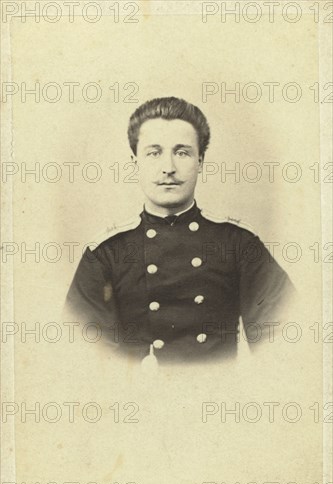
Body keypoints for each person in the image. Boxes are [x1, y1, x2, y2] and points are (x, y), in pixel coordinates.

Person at [65, 97, 294, 365]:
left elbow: (286, 344)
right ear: (134, 162)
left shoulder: (238, 243)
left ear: (201, 160)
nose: (169, 168)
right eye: (154, 152)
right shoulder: (105, 254)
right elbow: (80, 360)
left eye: (182, 152)